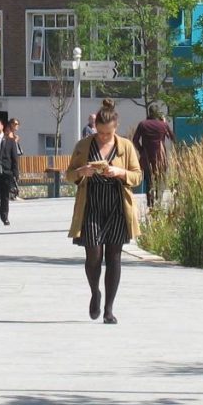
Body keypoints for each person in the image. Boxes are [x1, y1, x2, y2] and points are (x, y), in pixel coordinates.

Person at [67, 100, 142, 325]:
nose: (103, 137)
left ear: (115, 128)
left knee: (114, 257)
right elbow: (69, 175)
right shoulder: (83, 145)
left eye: (107, 134)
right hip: (91, 205)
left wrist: (119, 172)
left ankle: (109, 308)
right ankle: (95, 292)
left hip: (117, 206)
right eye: (99, 132)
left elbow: (138, 176)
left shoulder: (126, 146)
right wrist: (83, 171)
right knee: (93, 256)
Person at [130, 105, 174, 209]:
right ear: (158, 113)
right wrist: (164, 122)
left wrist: (141, 150)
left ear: (149, 112)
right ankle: (158, 200)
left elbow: (135, 140)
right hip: (160, 156)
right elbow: (172, 137)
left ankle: (150, 203)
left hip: (147, 156)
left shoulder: (143, 124)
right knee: (159, 179)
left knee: (148, 180)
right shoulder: (162, 125)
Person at [7, 118, 25, 199]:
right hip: (10, 160)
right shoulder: (9, 133)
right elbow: (9, 146)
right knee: (13, 175)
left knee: (14, 176)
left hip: (14, 158)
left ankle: (13, 193)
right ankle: (13, 193)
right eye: (16, 124)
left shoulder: (13, 134)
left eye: (18, 124)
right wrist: (15, 141)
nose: (17, 126)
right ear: (11, 124)